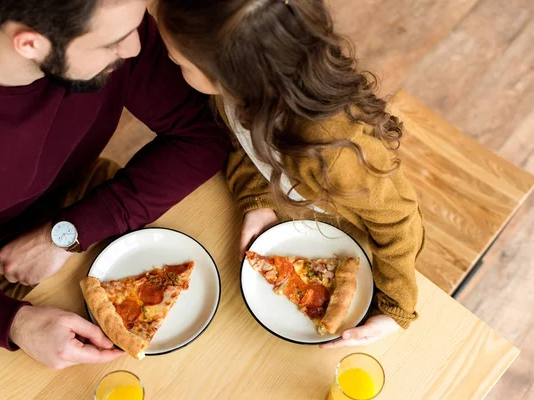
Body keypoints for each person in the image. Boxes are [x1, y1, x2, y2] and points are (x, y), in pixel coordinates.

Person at [0, 0, 229, 369]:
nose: (134, 48)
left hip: (89, 196)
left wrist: (67, 232)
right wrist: (14, 323)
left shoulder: (110, 20)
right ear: (30, 44)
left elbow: (203, 135)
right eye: (113, 43)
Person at [155, 0, 425, 348]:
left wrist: (396, 307)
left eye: (179, 62)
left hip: (353, 236)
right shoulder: (244, 89)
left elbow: (397, 221)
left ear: (227, 74)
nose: (172, 64)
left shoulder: (333, 150)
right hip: (292, 213)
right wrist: (257, 199)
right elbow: (241, 143)